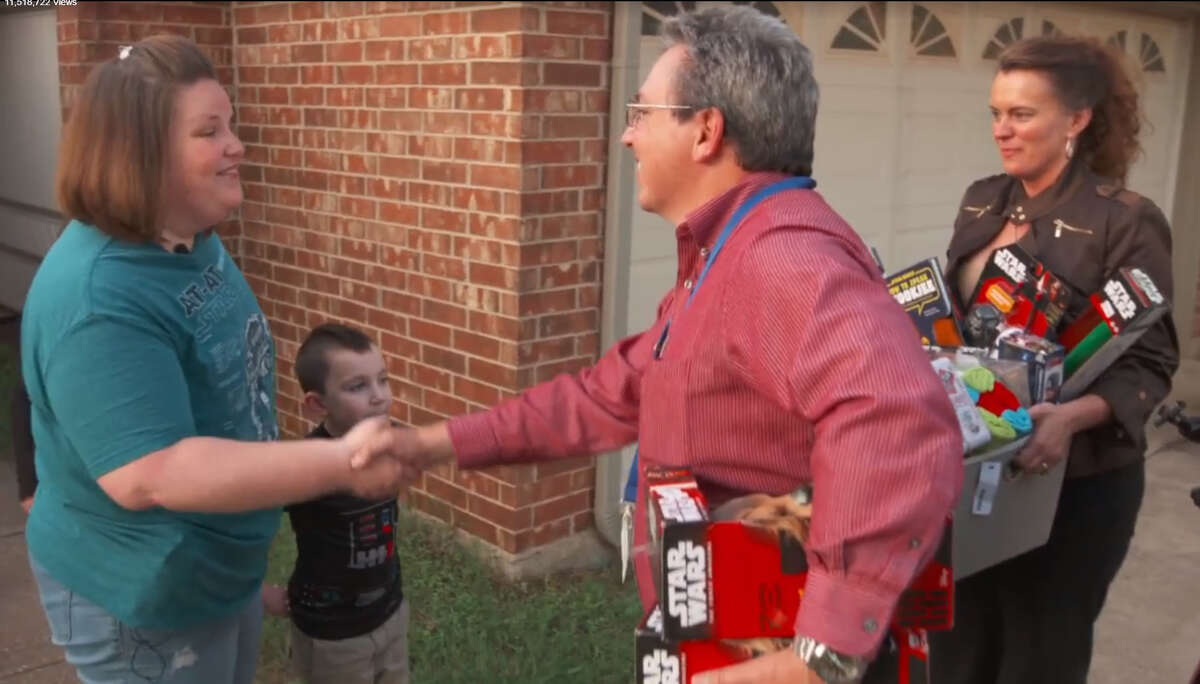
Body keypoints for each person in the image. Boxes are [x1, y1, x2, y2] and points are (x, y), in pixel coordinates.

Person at [391, 6, 963, 683]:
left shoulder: (778, 259)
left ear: (706, 132)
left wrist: (822, 655)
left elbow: (897, 419)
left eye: (643, 112)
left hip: (761, 647)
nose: (629, 136)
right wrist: (432, 447)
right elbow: (615, 391)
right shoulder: (726, 253)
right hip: (713, 623)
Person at [20, 35, 412, 684]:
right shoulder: (99, 297)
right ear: (138, 153)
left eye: (230, 125)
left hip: (214, 570)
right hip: (143, 594)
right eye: (209, 131)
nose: (237, 146)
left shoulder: (190, 238)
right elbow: (154, 471)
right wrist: (343, 459)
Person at [931, 36, 1179, 684]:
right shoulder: (983, 198)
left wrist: (1068, 420)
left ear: (1077, 118)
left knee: (1038, 660)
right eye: (995, 113)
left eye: (1022, 114)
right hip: (980, 465)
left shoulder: (1124, 220)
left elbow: (1152, 362)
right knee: (958, 649)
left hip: (1077, 487)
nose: (1002, 131)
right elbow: (960, 327)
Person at [262, 323, 410, 684]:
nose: (379, 396)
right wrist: (255, 592)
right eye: (357, 386)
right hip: (332, 633)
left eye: (382, 379)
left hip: (391, 610)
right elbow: (242, 522)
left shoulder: (391, 444)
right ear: (317, 403)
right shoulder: (306, 465)